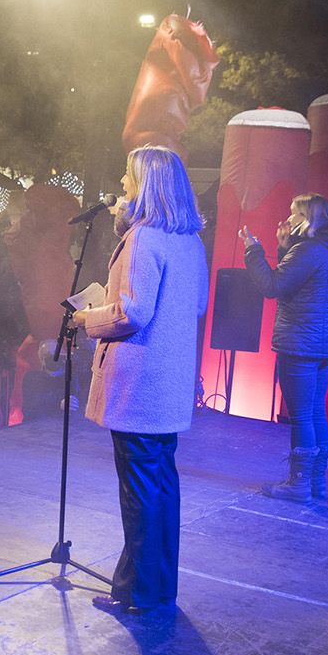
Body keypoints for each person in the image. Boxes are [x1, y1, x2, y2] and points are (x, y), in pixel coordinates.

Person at [73, 145, 209, 617]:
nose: (122, 184)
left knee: (139, 495)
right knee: (160, 490)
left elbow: (132, 312)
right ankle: (153, 589)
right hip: (167, 385)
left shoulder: (145, 238)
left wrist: (88, 318)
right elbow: (193, 306)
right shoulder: (189, 239)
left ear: (146, 184)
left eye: (128, 177)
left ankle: (137, 594)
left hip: (139, 386)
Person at [239, 193, 328, 502]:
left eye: (293, 213)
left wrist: (253, 251)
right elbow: (298, 279)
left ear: (307, 218)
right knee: (315, 410)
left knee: (302, 415)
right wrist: (284, 247)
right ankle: (316, 482)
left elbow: (272, 286)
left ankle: (299, 484)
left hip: (300, 342)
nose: (287, 219)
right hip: (324, 343)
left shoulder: (309, 250)